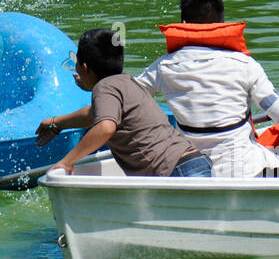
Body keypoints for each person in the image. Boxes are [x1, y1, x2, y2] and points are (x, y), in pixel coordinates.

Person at [132, 0, 279, 177]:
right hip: (244, 169)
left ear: (183, 24)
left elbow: (128, 97)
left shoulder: (163, 67)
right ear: (221, 24)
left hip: (192, 169)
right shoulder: (245, 65)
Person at [36, 29, 211, 177]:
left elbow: (105, 127)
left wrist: (67, 162)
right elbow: (93, 115)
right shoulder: (127, 82)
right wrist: (57, 122)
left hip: (174, 171)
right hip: (194, 161)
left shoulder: (104, 88)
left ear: (85, 68)